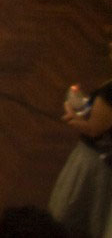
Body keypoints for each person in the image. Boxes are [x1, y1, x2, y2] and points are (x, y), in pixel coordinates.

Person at [48, 35, 112, 238]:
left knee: (68, 208)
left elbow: (94, 129)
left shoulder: (110, 92)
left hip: (93, 163)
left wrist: (71, 114)